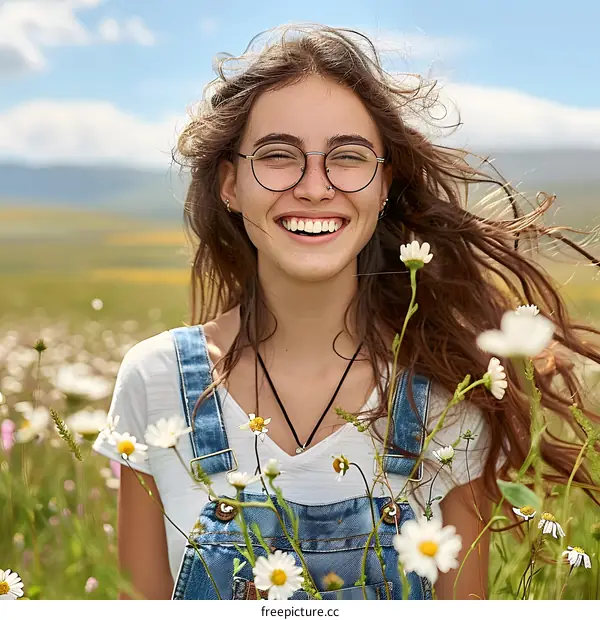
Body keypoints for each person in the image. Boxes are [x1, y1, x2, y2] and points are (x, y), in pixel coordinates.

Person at [92, 24, 600, 601]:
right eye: (279, 156)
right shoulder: (155, 383)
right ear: (230, 185)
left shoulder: (445, 399)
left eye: (348, 158)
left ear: (383, 184)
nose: (315, 187)